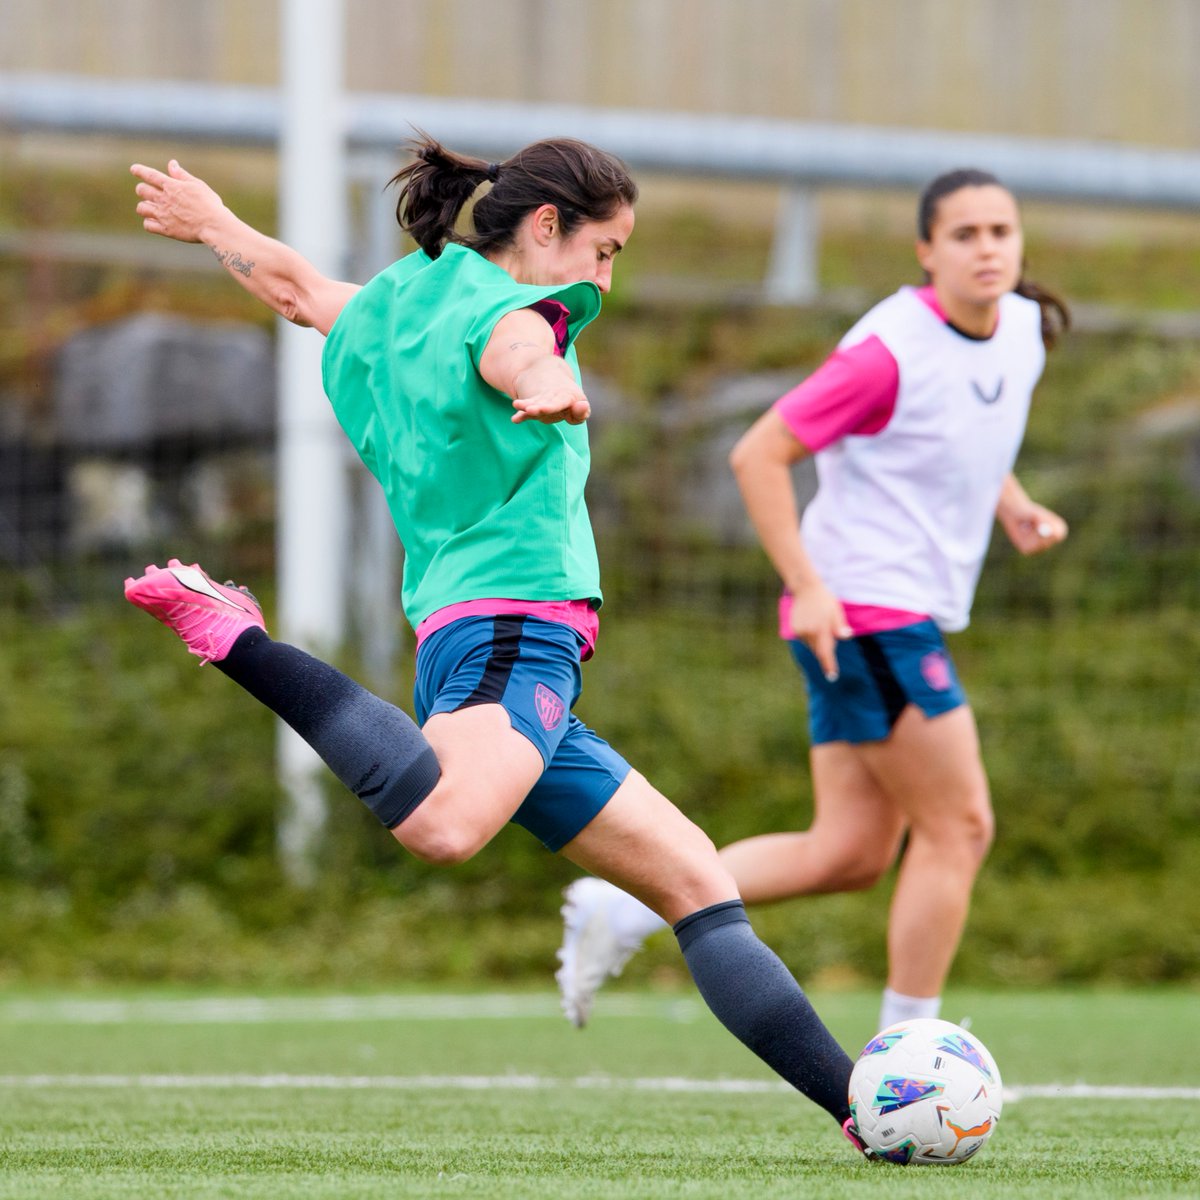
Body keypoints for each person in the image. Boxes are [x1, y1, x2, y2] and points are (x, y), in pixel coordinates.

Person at [124, 138, 874, 1154]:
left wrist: (213, 222)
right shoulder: (517, 318)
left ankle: (864, 1114)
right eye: (605, 251)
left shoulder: (408, 300)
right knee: (442, 825)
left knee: (700, 884)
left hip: (481, 640)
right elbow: (516, 347)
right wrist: (549, 381)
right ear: (547, 227)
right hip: (516, 631)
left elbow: (298, 287)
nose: (608, 276)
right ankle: (239, 640)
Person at [557, 168, 1070, 1037]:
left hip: (887, 610)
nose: (988, 249)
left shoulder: (1019, 328)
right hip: (865, 608)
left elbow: (960, 436)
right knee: (961, 826)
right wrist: (809, 587)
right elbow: (758, 454)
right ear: (926, 252)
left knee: (850, 853)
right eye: (965, 235)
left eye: (1001, 232)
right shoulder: (887, 351)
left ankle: (627, 909)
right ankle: (910, 1050)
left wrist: (1010, 502)